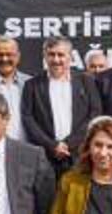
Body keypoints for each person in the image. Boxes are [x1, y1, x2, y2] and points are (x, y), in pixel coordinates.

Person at [22, 36, 104, 176]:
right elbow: (28, 118)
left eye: (61, 55)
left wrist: (68, 144)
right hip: (46, 157)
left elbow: (95, 113)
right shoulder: (32, 85)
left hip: (79, 156)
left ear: (70, 57)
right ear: (45, 56)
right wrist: (53, 146)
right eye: (51, 54)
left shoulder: (86, 81)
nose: (56, 60)